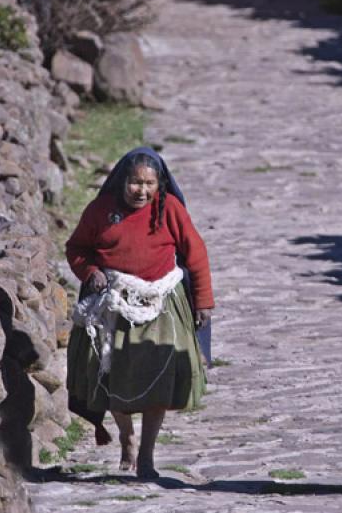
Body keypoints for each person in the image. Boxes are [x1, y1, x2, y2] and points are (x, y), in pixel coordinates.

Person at [65, 146, 214, 479]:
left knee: (158, 375)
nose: (142, 191)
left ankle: (146, 456)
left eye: (149, 184)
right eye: (135, 183)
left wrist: (203, 302)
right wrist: (90, 272)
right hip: (114, 303)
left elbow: (196, 253)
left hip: (160, 300)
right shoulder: (100, 211)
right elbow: (76, 248)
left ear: (159, 183)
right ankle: (126, 437)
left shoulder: (170, 210)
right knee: (111, 373)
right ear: (122, 181)